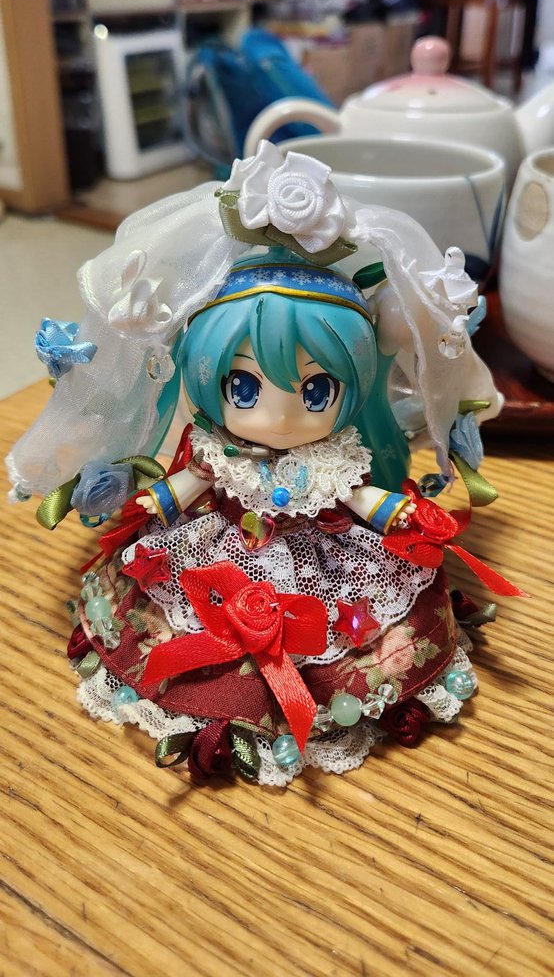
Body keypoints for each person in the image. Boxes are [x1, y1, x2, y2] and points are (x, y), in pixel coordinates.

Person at [6, 142, 519, 786]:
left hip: (326, 557)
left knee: (362, 617)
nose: (278, 418)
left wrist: (398, 513)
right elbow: (191, 482)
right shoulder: (219, 452)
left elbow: (356, 495)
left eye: (316, 391)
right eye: (244, 388)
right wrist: (152, 502)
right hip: (219, 549)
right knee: (174, 604)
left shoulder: (333, 457)